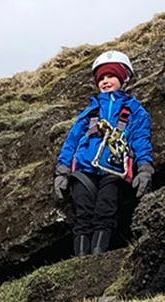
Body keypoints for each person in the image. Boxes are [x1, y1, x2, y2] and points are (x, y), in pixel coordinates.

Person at [54, 51, 154, 256]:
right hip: (84, 170)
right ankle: (81, 260)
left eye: (111, 76)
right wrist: (62, 171)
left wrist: (144, 168)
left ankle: (98, 257)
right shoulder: (89, 112)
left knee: (105, 212)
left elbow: (141, 139)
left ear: (123, 77)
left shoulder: (135, 111)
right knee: (83, 214)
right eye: (101, 78)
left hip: (114, 170)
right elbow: (71, 142)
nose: (105, 81)